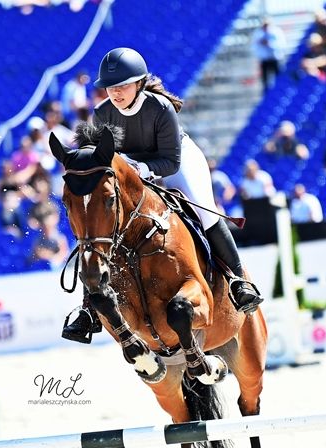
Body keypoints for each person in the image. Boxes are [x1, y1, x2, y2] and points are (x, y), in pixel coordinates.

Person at [62, 47, 263, 343]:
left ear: (139, 83)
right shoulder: (102, 113)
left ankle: (238, 281)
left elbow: (170, 161)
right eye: (110, 87)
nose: (115, 92)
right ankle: (89, 309)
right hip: (130, 170)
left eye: (122, 86)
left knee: (203, 210)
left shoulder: (160, 108)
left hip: (174, 161)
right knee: (100, 228)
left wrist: (141, 168)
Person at [252, 18, 286, 93]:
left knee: (278, 78)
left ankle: (279, 93)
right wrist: (261, 44)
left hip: (275, 59)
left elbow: (282, 45)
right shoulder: (258, 34)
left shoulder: (277, 32)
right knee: (265, 81)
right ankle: (267, 95)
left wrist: (270, 44)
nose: (266, 27)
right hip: (264, 60)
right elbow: (254, 47)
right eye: (264, 25)